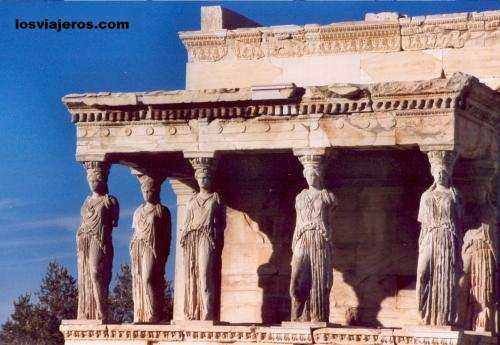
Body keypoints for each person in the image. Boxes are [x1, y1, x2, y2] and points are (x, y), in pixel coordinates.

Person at [416, 151, 462, 326]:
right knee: (422, 272)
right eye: (438, 172)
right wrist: (422, 243)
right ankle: (423, 311)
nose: (441, 174)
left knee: (447, 275)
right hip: (430, 236)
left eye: (444, 172)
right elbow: (423, 224)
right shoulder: (426, 196)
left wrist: (457, 200)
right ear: (433, 174)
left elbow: (458, 219)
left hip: (447, 238)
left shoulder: (453, 195)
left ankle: (444, 317)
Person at [290, 155, 337, 322]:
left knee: (319, 278)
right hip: (302, 237)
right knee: (297, 277)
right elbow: (297, 221)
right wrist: (294, 243)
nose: (310, 177)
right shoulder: (300, 197)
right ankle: (297, 315)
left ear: (318, 175)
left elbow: (330, 221)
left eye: (313, 174)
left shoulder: (326, 196)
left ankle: (317, 316)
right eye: (307, 174)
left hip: (319, 239)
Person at [181, 162, 223, 320]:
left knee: (204, 274)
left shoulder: (215, 198)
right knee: (192, 274)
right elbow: (186, 222)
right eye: (201, 177)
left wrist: (214, 237)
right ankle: (194, 312)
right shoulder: (191, 200)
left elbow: (221, 222)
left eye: (206, 177)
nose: (203, 180)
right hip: (192, 238)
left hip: (206, 237)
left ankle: (207, 313)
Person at [77, 162, 119, 321]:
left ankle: (102, 311)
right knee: (88, 274)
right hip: (84, 240)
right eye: (91, 178)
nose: (94, 181)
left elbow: (113, 224)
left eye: (97, 178)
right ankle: (93, 311)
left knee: (96, 272)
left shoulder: (110, 201)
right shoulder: (86, 202)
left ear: (104, 179)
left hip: (100, 240)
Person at [131, 173, 171, 323]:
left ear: (157, 191)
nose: (148, 194)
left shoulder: (162, 211)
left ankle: (155, 313)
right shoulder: (137, 212)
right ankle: (144, 313)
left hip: (154, 248)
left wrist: (164, 255)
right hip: (139, 247)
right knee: (141, 278)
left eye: (151, 191)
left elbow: (167, 235)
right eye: (145, 191)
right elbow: (135, 233)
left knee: (149, 278)